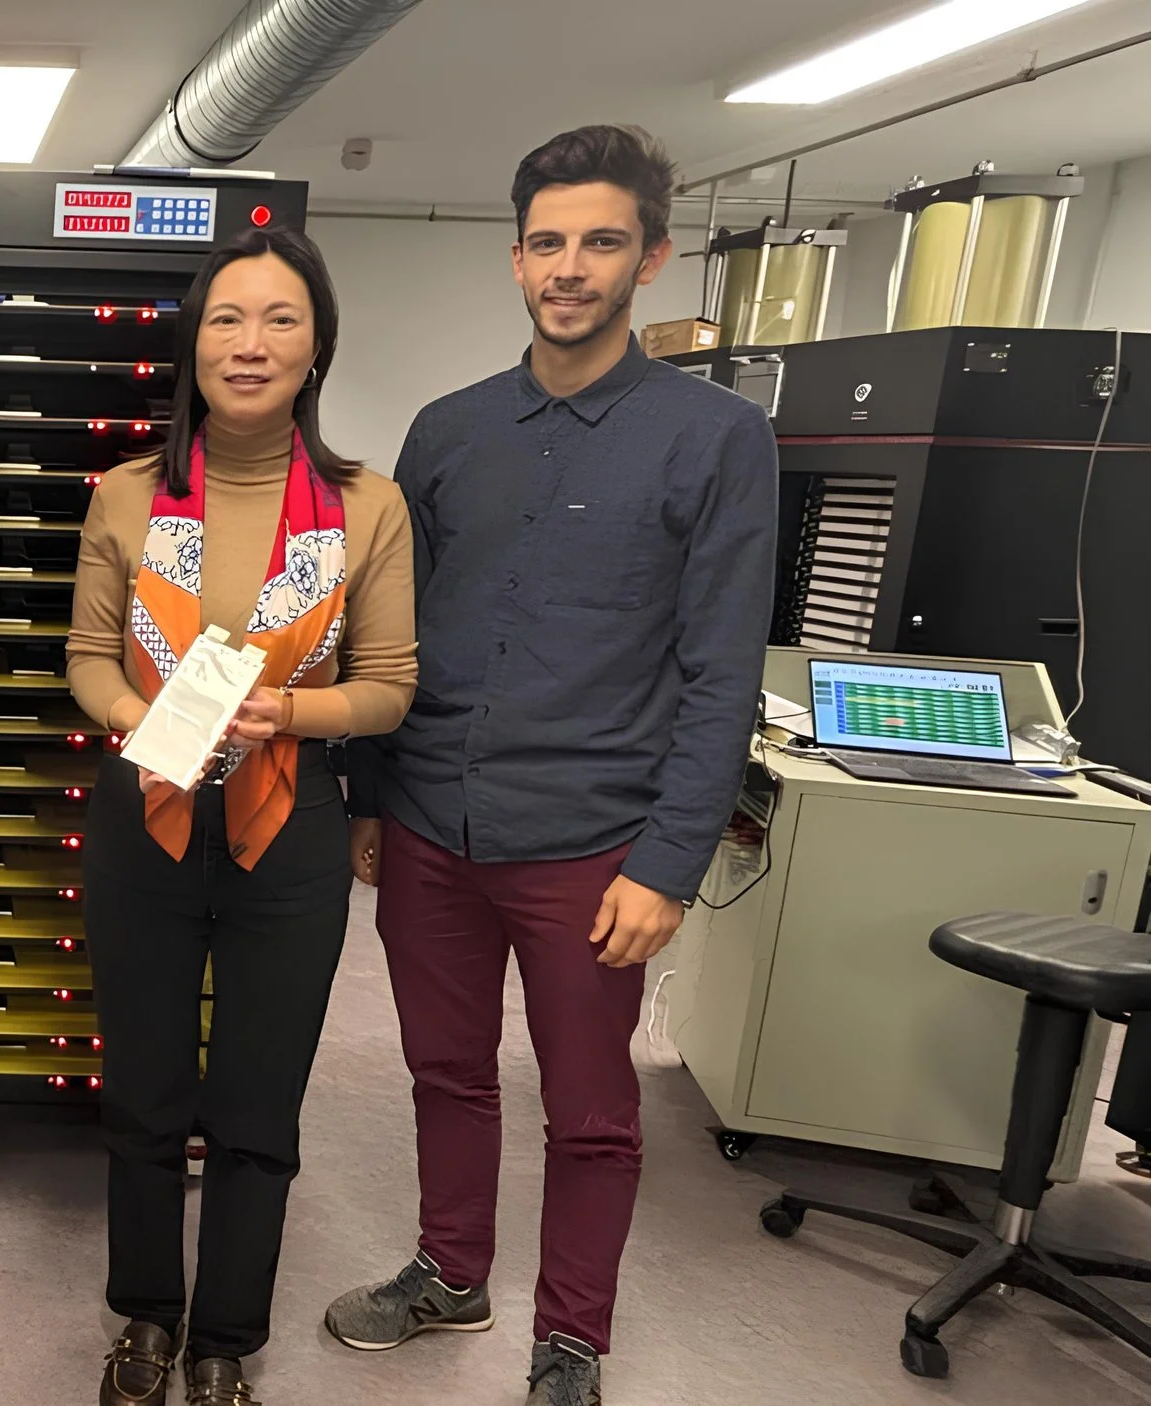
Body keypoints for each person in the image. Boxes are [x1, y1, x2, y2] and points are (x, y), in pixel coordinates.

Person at [325, 125, 775, 1406]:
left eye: (600, 242)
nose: (569, 267)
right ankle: (449, 1271)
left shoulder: (715, 437)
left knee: (589, 1111)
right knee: (443, 1071)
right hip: (431, 822)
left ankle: (570, 1338)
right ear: (514, 257)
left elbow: (720, 671)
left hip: (593, 843)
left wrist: (668, 862)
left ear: (651, 257)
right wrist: (370, 796)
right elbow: (391, 633)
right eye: (547, 243)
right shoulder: (448, 430)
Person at [74, 227, 417, 1406]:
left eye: (280, 318)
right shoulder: (129, 494)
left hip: (292, 823)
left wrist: (291, 711)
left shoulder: (366, 508)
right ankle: (144, 1315)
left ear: (317, 346)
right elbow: (85, 656)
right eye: (226, 317)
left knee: (258, 1098)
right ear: (193, 342)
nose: (250, 342)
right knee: (143, 1090)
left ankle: (224, 1336)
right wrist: (139, 713)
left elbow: (390, 684)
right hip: (147, 810)